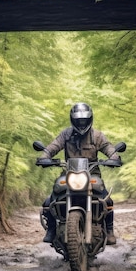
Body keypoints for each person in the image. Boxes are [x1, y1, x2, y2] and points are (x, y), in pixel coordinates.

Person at [40, 102, 120, 245]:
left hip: (92, 174)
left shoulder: (97, 136)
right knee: (49, 200)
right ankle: (51, 229)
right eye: (78, 121)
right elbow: (54, 146)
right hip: (69, 174)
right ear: (73, 120)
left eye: (84, 120)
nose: (81, 123)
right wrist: (45, 156)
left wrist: (114, 157)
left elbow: (108, 147)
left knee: (107, 200)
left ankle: (109, 230)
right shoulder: (66, 134)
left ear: (89, 119)